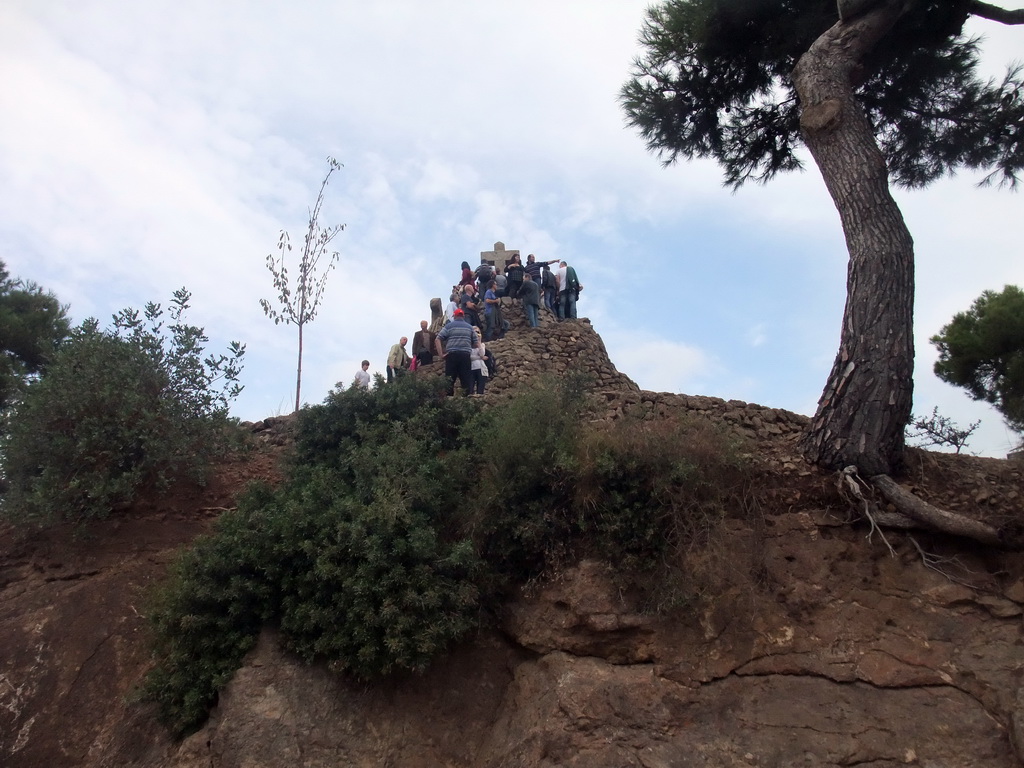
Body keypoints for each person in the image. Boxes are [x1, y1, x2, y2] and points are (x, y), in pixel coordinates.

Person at [435, 308, 479, 396]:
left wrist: (441, 354)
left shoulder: (448, 326)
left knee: (449, 380)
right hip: (465, 356)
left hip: (452, 355)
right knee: (466, 380)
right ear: (463, 316)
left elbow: (437, 339)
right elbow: (476, 344)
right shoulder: (470, 327)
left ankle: (449, 400)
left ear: (454, 316)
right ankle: (467, 400)